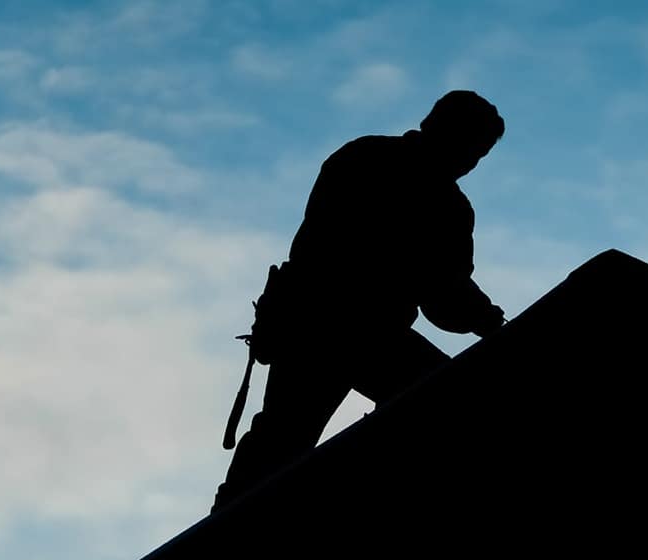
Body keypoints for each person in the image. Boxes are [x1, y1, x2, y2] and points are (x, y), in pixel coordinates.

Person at [212, 90, 507, 513]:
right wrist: (488, 321)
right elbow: (444, 295)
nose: (470, 163)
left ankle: (231, 521)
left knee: (280, 438)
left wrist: (480, 317)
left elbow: (444, 295)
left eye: (478, 155)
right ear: (441, 129)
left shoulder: (365, 158)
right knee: (443, 403)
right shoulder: (434, 198)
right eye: (471, 148)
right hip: (342, 329)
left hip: (326, 326)